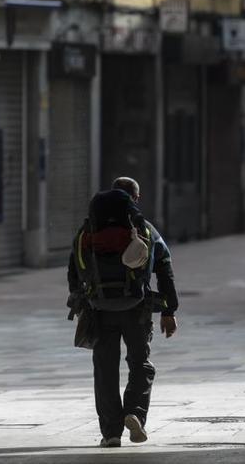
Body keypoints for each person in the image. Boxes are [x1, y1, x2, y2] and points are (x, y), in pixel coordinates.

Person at [67, 176, 179, 448]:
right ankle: (134, 413)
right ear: (135, 199)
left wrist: (82, 302)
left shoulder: (87, 232)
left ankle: (111, 433)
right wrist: (168, 310)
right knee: (140, 364)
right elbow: (164, 267)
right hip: (136, 308)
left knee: (105, 370)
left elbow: (74, 272)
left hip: (99, 308)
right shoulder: (146, 230)